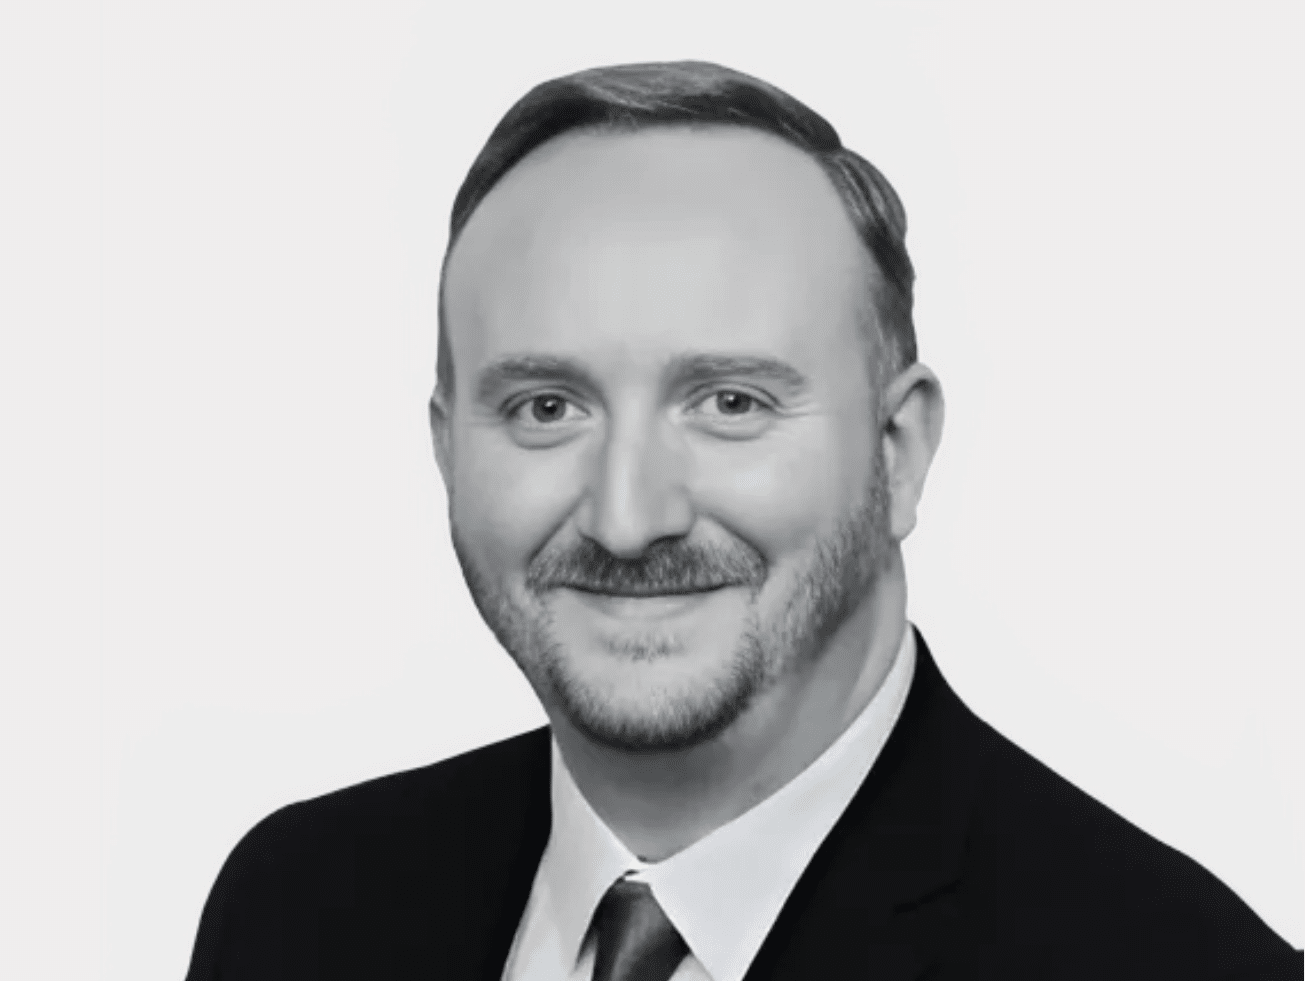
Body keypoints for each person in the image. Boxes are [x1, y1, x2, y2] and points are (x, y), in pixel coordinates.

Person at [184, 61, 1301, 981]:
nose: (629, 518)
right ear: (446, 450)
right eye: (545, 407)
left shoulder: (1173, 962)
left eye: (731, 404)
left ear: (898, 451)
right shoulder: (296, 909)